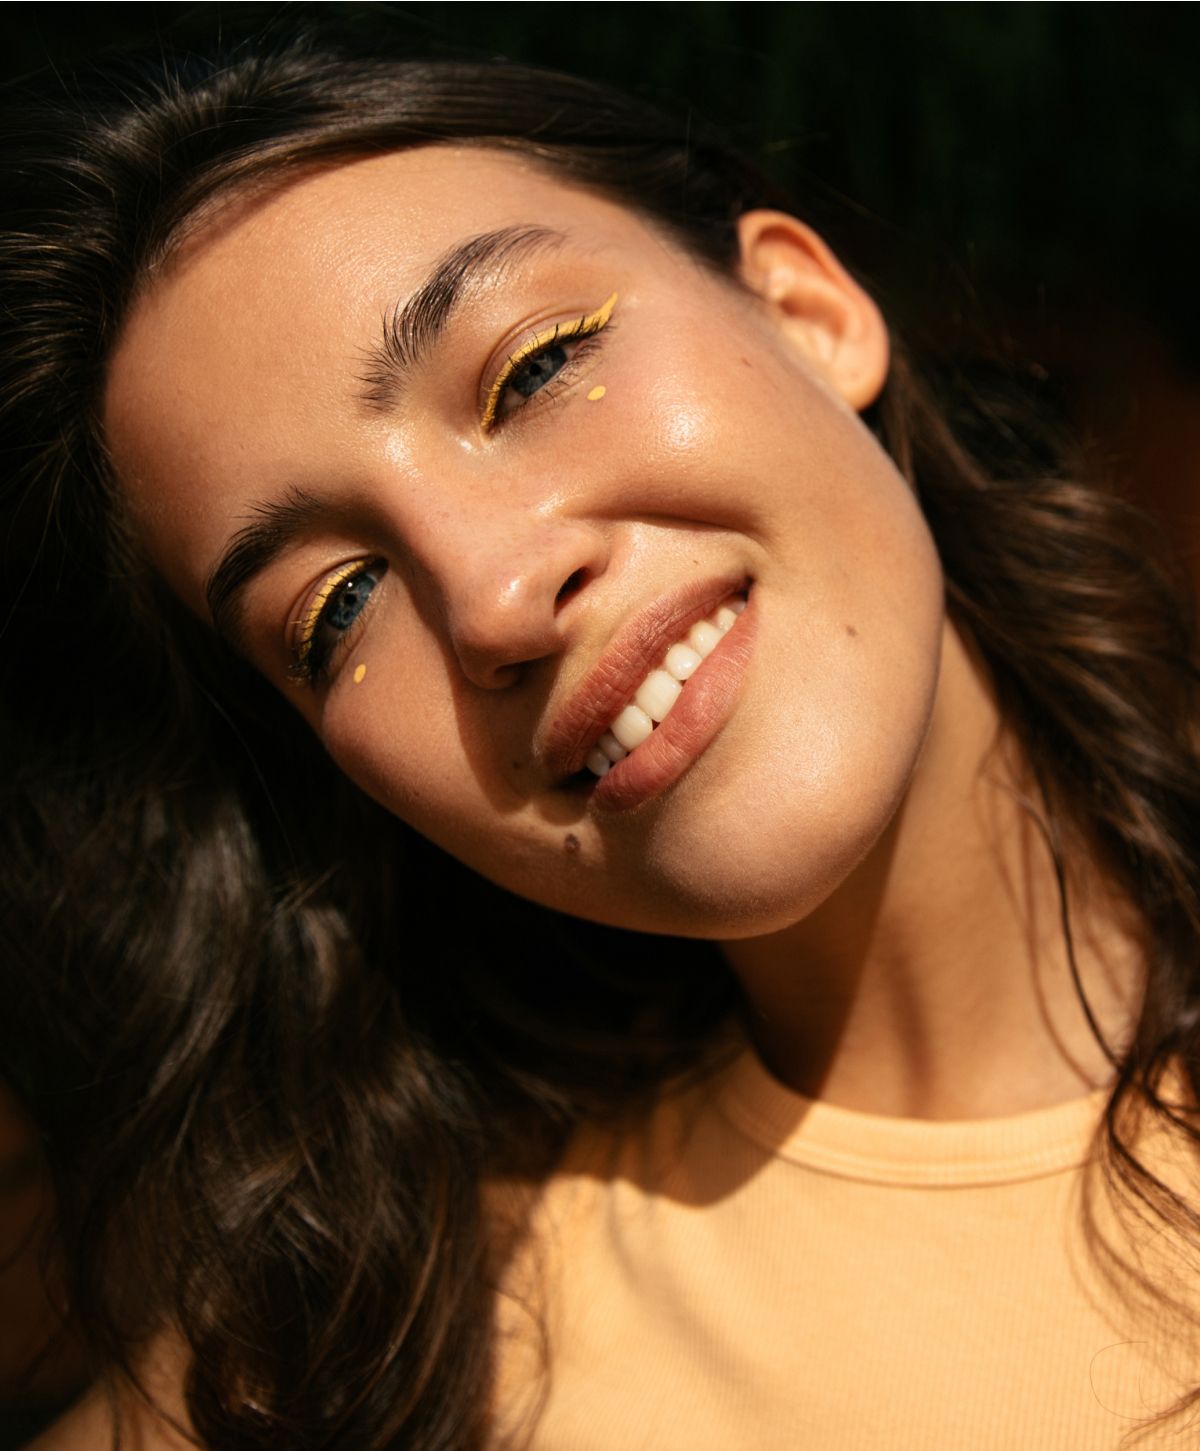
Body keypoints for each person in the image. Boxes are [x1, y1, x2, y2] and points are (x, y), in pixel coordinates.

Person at [3, 31, 1199, 1451]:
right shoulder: (389, 1359)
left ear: (806, 309)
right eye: (336, 609)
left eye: (533, 371)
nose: (494, 596)